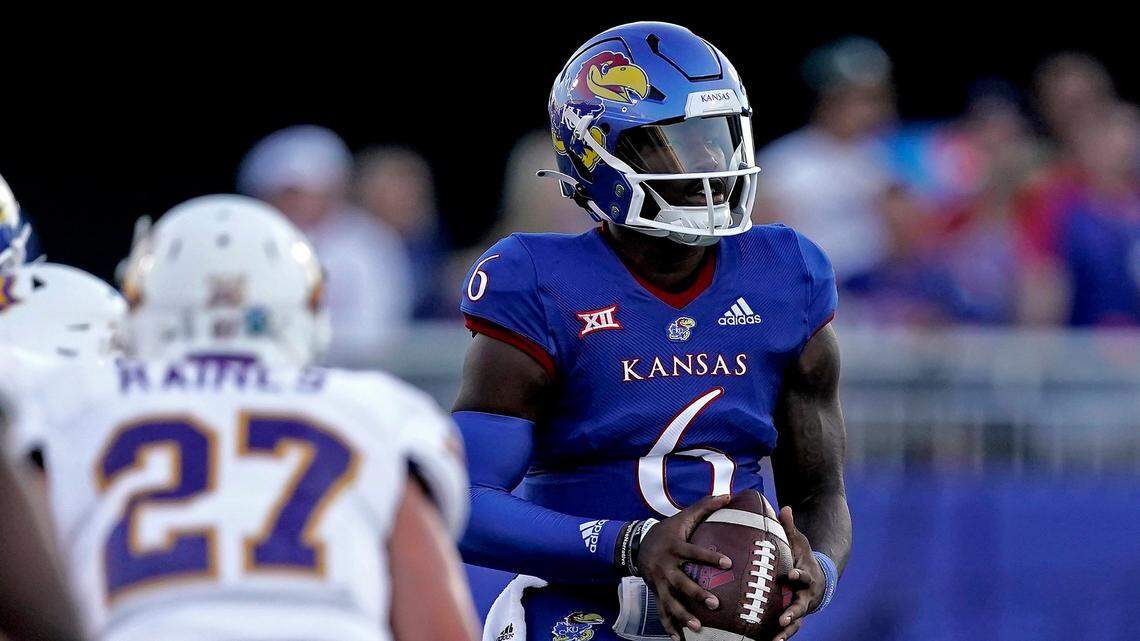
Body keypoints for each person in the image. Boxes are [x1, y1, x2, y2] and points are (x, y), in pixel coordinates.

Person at [455, 23, 850, 641]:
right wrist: (629, 544)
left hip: (727, 619)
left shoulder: (785, 274)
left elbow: (822, 491)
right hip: (577, 613)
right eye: (679, 143)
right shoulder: (537, 280)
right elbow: (462, 503)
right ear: (598, 154)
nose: (713, 163)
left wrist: (817, 571)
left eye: (719, 137)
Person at [31, 195, 478, 641]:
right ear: (307, 303)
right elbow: (436, 626)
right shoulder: (371, 410)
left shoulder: (77, 402)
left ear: (140, 301)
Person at [238, 126, 413, 364]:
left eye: (310, 192)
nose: (300, 203)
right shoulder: (243, 242)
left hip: (352, 374)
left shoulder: (371, 244)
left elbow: (379, 331)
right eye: (288, 194)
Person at [756, 36, 898, 284]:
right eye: (859, 99)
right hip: (812, 286)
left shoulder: (882, 158)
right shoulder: (785, 162)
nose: (870, 110)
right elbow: (764, 246)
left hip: (879, 285)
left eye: (874, 99)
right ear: (827, 100)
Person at [355, 146, 451, 318]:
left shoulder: (429, 245)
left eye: (412, 192)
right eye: (394, 191)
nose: (406, 201)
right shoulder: (345, 249)